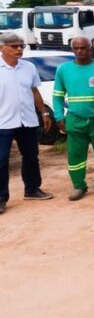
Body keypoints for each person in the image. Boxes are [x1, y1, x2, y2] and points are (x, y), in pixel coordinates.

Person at [52, 36, 94, 200]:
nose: (79, 51)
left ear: (90, 48)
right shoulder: (63, 69)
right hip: (75, 119)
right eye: (76, 48)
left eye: (83, 48)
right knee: (75, 155)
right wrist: (59, 116)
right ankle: (78, 186)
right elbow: (57, 96)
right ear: (72, 50)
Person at [0, 32, 53, 213]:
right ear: (2, 48)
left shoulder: (28, 67)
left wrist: (43, 112)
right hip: (3, 122)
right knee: (1, 160)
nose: (19, 49)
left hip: (27, 121)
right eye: (14, 46)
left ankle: (32, 189)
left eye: (21, 46)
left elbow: (34, 91)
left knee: (31, 156)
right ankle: (1, 197)